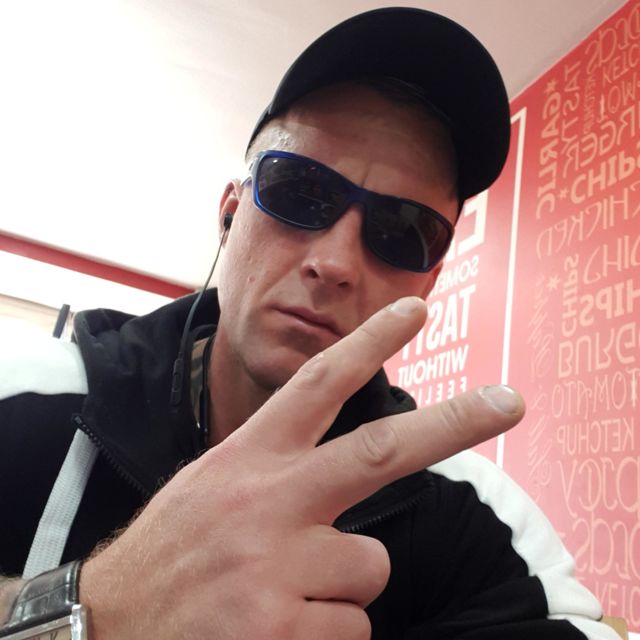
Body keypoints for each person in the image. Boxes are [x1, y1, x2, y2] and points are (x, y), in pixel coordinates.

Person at [0, 8, 618, 640]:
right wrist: (97, 608)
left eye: (403, 231)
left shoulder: (478, 518)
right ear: (230, 215)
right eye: (299, 190)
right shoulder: (21, 396)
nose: (335, 263)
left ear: (429, 281)